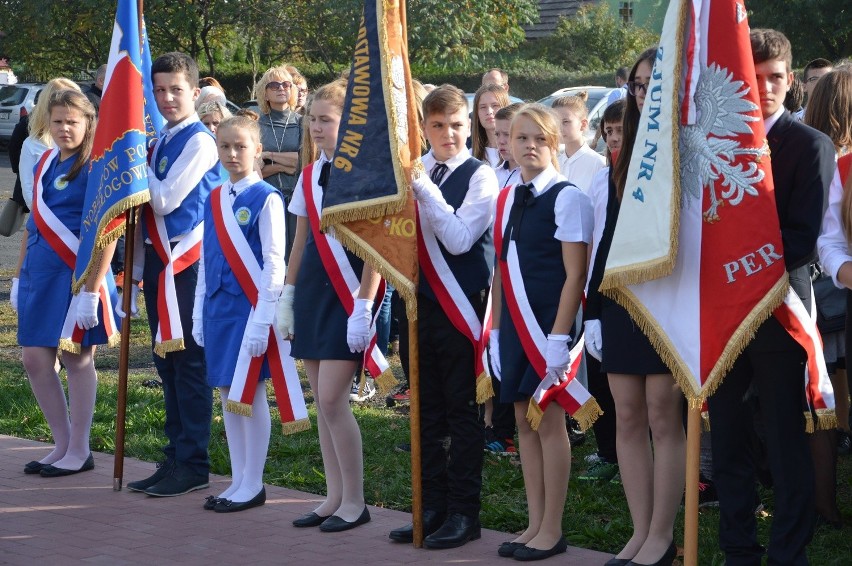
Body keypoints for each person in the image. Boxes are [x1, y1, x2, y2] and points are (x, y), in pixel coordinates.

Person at [708, 29, 836, 565]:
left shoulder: (809, 145)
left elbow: (804, 237)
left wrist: (744, 273)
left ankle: (788, 550)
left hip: (782, 310)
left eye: (776, 78)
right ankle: (738, 545)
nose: (765, 88)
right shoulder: (715, 147)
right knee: (729, 436)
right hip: (722, 314)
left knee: (785, 439)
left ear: (791, 82)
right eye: (753, 77)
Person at [387, 84, 498, 549]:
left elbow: (457, 239)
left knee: (462, 414)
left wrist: (423, 187)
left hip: (460, 307)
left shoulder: (481, 176)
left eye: (456, 125)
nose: (448, 134)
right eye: (437, 126)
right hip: (417, 305)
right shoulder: (415, 172)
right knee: (426, 413)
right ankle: (429, 505)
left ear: (467, 124)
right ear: (424, 129)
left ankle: (463, 512)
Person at [585, 47, 684, 566]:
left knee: (663, 416)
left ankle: (663, 536)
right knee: (626, 415)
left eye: (655, 83)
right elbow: (608, 240)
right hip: (621, 299)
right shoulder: (625, 155)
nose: (646, 93)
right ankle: (639, 531)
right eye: (639, 85)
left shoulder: (685, 147)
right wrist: (594, 309)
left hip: (667, 300)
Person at [489, 103, 592, 561]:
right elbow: (500, 268)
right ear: (508, 143)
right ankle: (533, 522)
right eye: (521, 138)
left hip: (547, 329)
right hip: (513, 326)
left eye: (540, 139)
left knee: (549, 425)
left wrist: (557, 337)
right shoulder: (508, 196)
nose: (530, 146)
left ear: (553, 144)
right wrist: (493, 329)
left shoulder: (568, 197)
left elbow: (576, 275)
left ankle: (553, 529)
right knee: (521, 425)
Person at [282, 79, 381, 532]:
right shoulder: (307, 174)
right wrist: (287, 295)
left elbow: (375, 248)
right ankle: (334, 496)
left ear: (348, 124)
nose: (316, 127)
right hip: (315, 293)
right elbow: (300, 242)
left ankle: (356, 501)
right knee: (322, 403)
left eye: (326, 119)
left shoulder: (365, 174)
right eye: (313, 119)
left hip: (350, 296)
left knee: (332, 399)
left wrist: (363, 304)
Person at [126, 52, 221, 497]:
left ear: (195, 92)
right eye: (159, 90)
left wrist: (132, 163)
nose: (166, 98)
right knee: (166, 362)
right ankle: (175, 455)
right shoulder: (161, 139)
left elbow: (163, 200)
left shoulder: (200, 141)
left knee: (189, 364)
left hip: (188, 265)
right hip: (161, 265)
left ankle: (194, 462)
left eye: (176, 90)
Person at [13, 89, 118, 477]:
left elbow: (109, 231)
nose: (64, 128)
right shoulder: (43, 164)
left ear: (88, 123)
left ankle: (80, 447)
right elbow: (33, 224)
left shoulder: (96, 168)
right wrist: (19, 275)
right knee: (34, 359)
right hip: (40, 273)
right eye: (57, 121)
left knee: (76, 358)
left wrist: (91, 291)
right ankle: (60, 443)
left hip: (75, 277)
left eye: (72, 121)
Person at [192, 114, 285, 513]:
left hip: (248, 311)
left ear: (257, 151)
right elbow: (204, 259)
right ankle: (237, 478)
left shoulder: (266, 197)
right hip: (217, 309)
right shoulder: (215, 197)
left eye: (240, 146)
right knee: (228, 393)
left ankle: (254, 481)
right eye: (225, 146)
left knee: (250, 393)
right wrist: (197, 313)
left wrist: (263, 318)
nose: (232, 154)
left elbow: (275, 262)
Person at [575, 98, 625, 485]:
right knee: (601, 372)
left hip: (631, 289)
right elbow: (594, 239)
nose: (612, 137)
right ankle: (608, 450)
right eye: (607, 130)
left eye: (620, 129)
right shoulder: (600, 177)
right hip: (599, 285)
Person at [811, 69, 852, 526]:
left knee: (822, 393)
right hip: (827, 291)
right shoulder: (837, 164)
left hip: (816, 290)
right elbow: (830, 238)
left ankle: (824, 501)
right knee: (826, 390)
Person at [255, 66, 302, 261]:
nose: (281, 88)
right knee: (270, 254)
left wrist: (268, 155)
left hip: (297, 200)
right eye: (274, 85)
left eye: (286, 84)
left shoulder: (303, 123)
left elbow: (302, 161)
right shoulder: (257, 126)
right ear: (264, 93)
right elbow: (255, 172)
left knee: (295, 256)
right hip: (268, 199)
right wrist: (285, 166)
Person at [553, 92, 606, 193]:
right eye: (555, 121)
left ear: (583, 124)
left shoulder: (599, 164)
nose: (559, 127)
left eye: (565, 122)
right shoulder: (555, 164)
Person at [471, 83, 510, 168]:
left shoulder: (519, 154)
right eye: (483, 107)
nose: (489, 111)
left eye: (495, 105)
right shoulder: (470, 156)